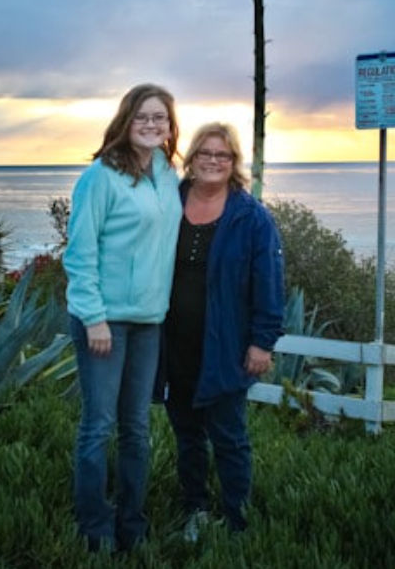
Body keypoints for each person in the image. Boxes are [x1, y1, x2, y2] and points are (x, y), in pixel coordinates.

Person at [63, 83, 182, 554]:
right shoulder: (100, 176)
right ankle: (95, 525)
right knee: (98, 425)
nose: (152, 125)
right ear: (125, 122)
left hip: (149, 322)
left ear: (171, 127)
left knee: (137, 427)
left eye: (161, 118)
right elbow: (79, 252)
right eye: (143, 117)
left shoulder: (167, 174)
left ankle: (132, 521)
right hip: (104, 323)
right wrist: (94, 318)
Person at [163, 122, 284, 538]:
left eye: (223, 156)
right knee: (188, 435)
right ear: (191, 158)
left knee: (229, 436)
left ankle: (237, 520)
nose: (213, 161)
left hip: (227, 346)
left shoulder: (251, 217)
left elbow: (269, 282)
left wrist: (262, 342)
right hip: (173, 344)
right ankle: (195, 508)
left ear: (233, 164)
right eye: (205, 154)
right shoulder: (168, 202)